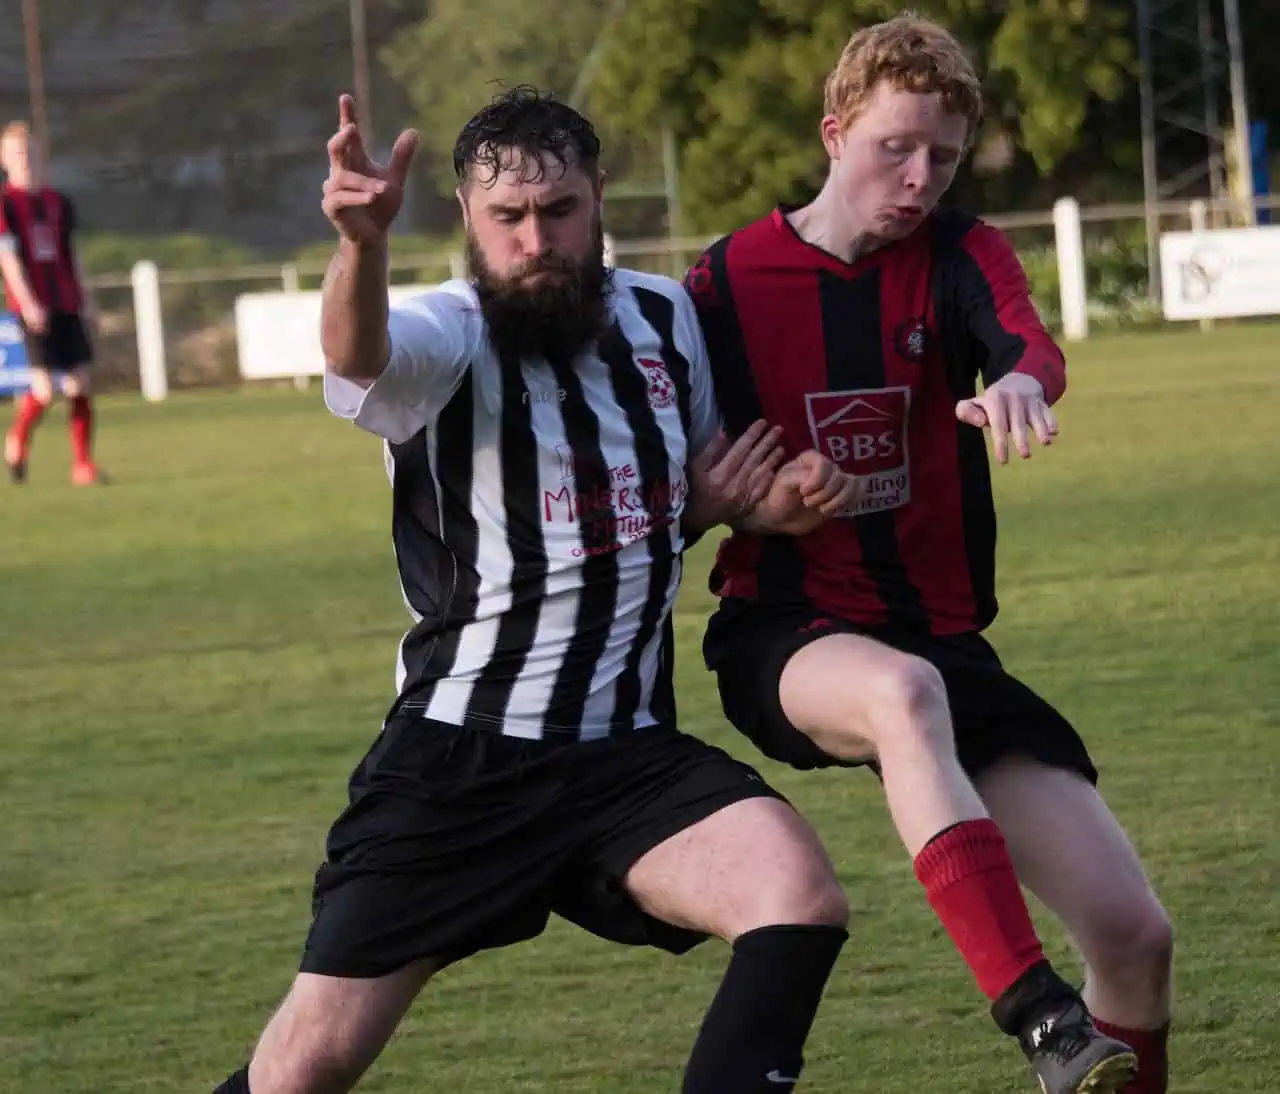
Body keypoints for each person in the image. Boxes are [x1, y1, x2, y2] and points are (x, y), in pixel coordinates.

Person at [211, 87, 863, 1094]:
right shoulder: (446, 332)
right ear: (469, 218)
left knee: (796, 893)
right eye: (506, 218)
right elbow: (355, 353)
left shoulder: (663, 318)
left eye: (557, 210)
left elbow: (692, 491)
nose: (535, 239)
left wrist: (775, 501)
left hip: (624, 756)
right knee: (304, 1065)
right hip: (458, 761)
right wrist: (360, 244)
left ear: (597, 197)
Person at [684, 14, 1174, 1094]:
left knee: (1136, 937)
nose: (915, 179)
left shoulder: (958, 252)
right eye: (890, 149)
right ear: (832, 132)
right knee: (899, 693)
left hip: (946, 643)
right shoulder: (718, 285)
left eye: (939, 159)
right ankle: (1037, 1016)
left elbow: (1026, 346)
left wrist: (1016, 385)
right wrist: (756, 505)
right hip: (787, 631)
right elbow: (682, 481)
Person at [0, 121, 102, 485]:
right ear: (4, 160)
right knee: (43, 391)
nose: (25, 160)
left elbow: (70, 253)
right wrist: (27, 302)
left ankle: (83, 465)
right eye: (17, 154)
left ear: (41, 157)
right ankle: (18, 439)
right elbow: (7, 258)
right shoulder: (5, 204)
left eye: (30, 153)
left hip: (66, 302)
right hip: (33, 307)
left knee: (80, 385)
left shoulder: (59, 203)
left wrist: (86, 298)